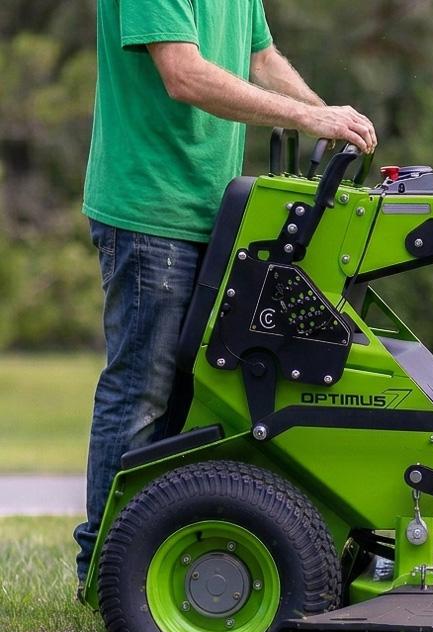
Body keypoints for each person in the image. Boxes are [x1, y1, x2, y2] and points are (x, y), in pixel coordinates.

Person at [74, 0, 377, 590]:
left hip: (213, 212)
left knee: (198, 394)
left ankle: (155, 551)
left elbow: (261, 57)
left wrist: (327, 118)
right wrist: (309, 118)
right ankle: (107, 567)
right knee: (143, 390)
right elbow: (182, 74)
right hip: (148, 211)